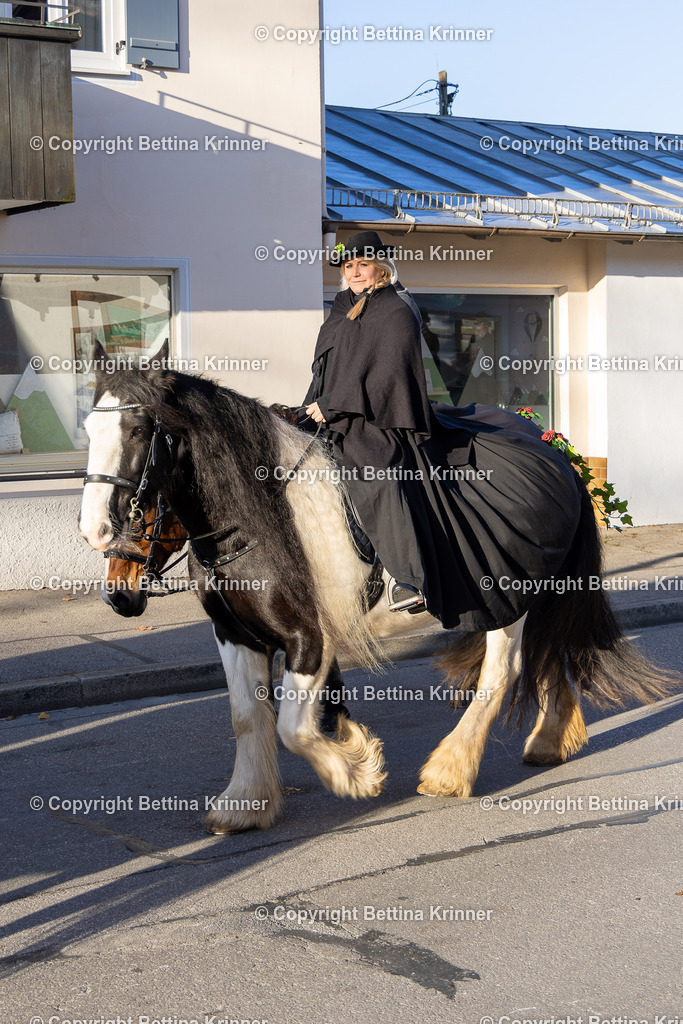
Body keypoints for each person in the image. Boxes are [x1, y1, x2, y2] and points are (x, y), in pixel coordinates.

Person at [301, 231, 582, 631]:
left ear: (381, 266)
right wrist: (312, 404)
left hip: (382, 418)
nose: (356, 272)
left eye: (363, 264)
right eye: (349, 266)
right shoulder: (343, 306)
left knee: (377, 473)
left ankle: (407, 579)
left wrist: (332, 405)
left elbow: (389, 374)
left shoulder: (396, 309)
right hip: (333, 414)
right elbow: (326, 365)